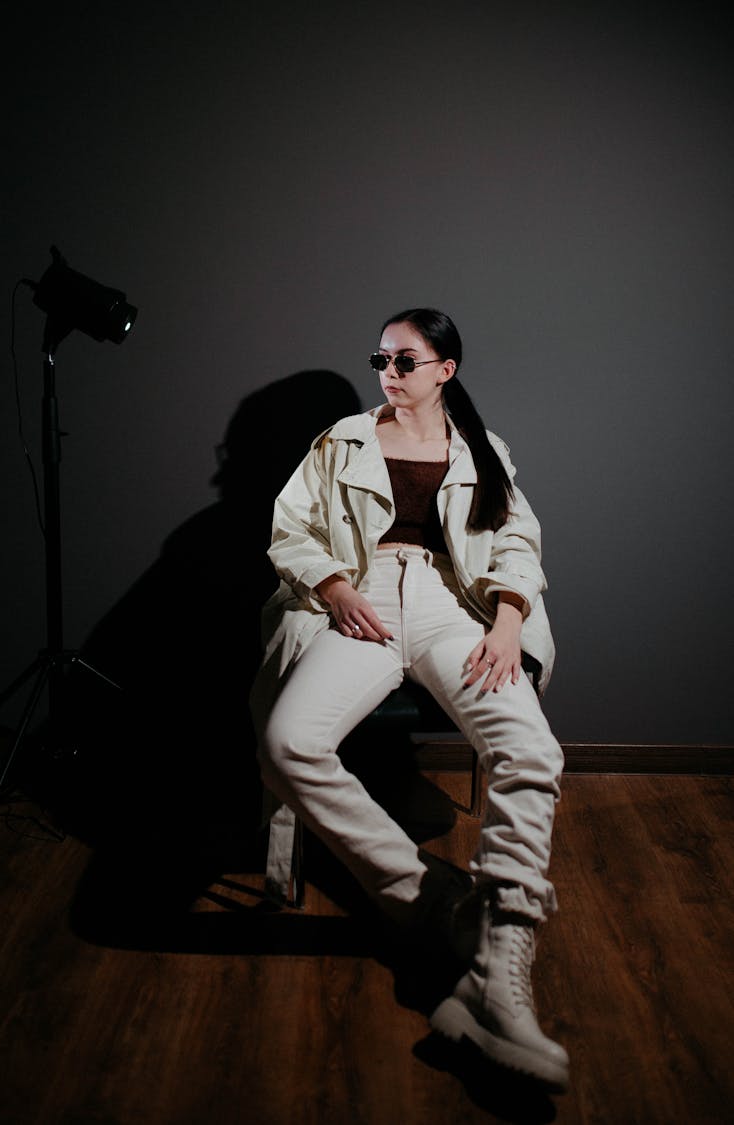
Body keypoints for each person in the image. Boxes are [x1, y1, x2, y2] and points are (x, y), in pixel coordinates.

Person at [249, 308, 569, 1093]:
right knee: (289, 741)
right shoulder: (344, 437)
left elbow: (518, 541)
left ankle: (504, 952)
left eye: (404, 359)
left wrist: (507, 619)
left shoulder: (483, 451)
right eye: (380, 359)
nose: (387, 372)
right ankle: (433, 900)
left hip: (450, 608)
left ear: (444, 370)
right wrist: (333, 587)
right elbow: (291, 526)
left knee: (533, 750)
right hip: (360, 598)